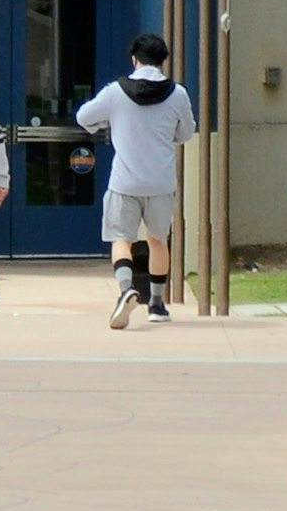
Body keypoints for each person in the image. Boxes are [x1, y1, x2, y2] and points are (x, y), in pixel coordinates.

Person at [70, 33, 197, 326]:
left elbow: (83, 117)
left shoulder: (115, 91)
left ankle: (127, 290)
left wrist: (108, 121)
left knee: (121, 239)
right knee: (157, 240)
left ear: (134, 59)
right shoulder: (178, 93)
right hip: (162, 182)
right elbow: (187, 132)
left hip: (124, 181)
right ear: (163, 61)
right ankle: (157, 304)